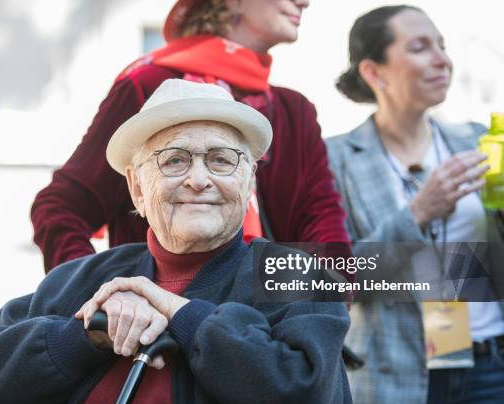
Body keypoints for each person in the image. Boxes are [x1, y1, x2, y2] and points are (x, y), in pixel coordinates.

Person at [0, 80, 352, 404]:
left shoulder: (298, 277)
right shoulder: (76, 283)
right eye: (174, 160)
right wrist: (87, 334)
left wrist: (183, 315)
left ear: (248, 184)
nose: (199, 179)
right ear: (136, 188)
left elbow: (305, 393)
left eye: (221, 159)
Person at [30, 0, 351, 273]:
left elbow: (322, 218)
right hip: (157, 333)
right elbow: (61, 207)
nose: (305, 1)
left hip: (268, 332)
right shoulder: (149, 84)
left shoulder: (294, 109)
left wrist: (320, 305)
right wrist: (101, 294)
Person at [326, 5, 504, 404]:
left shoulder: (478, 141)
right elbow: (334, 280)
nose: (443, 59)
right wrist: (418, 213)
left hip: (489, 366)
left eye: (442, 46)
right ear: (375, 72)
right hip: (394, 379)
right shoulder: (335, 158)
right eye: (421, 48)